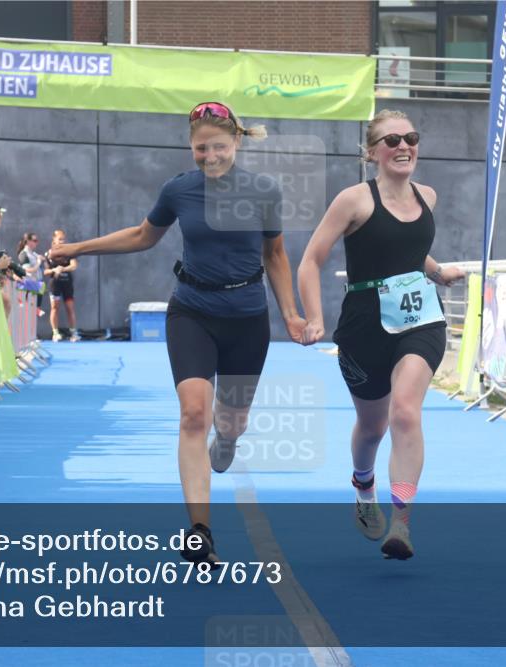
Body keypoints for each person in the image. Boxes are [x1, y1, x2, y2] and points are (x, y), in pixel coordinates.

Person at [50, 101, 305, 565]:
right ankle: (200, 531)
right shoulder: (179, 190)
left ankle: (226, 440)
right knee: (193, 413)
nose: (210, 156)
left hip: (247, 317)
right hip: (192, 311)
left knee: (231, 423)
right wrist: (79, 248)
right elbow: (143, 235)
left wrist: (291, 314)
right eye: (200, 149)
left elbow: (277, 255)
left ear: (238, 142)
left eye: (219, 147)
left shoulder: (264, 191)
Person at [297, 109, 464, 561]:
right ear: (372, 153)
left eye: (410, 137)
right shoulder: (353, 200)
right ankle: (363, 483)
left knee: (405, 412)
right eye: (391, 141)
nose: (403, 146)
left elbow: (410, 249)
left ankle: (402, 523)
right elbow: (310, 260)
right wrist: (313, 318)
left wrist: (437, 271)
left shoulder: (427, 196)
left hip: (419, 320)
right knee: (372, 426)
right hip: (363, 325)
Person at [44, 229, 78, 341]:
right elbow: (46, 271)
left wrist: (62, 268)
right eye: (60, 239)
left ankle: (73, 333)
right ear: (54, 240)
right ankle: (55, 333)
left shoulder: (70, 252)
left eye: (63, 239)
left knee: (70, 307)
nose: (62, 241)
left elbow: (74, 266)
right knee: (54, 308)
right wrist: (54, 270)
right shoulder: (48, 254)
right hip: (55, 284)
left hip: (67, 283)